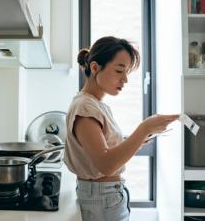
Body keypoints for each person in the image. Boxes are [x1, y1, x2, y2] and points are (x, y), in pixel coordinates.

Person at [64, 36, 179, 221]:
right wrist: (144, 128)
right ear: (95, 68)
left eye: (126, 72)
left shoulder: (93, 105)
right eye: (119, 71)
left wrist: (138, 140)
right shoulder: (85, 107)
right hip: (102, 199)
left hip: (106, 197)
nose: (124, 79)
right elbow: (106, 164)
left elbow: (105, 153)